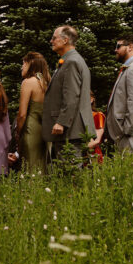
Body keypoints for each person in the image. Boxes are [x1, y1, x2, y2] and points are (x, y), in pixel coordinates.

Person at [41, 25, 95, 170]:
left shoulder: (71, 62)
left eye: (54, 38)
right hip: (71, 128)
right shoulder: (71, 60)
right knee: (67, 172)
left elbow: (71, 96)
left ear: (65, 40)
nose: (51, 41)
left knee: (70, 173)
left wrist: (62, 122)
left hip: (69, 130)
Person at [16, 52, 50, 174]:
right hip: (44, 130)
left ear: (31, 64)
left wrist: (18, 132)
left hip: (30, 129)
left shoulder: (28, 82)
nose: (22, 67)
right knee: (43, 166)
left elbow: (22, 114)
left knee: (30, 167)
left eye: (24, 64)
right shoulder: (46, 82)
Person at [87, 91, 106, 164]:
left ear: (91, 100)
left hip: (93, 154)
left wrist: (81, 149)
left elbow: (97, 140)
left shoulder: (98, 115)